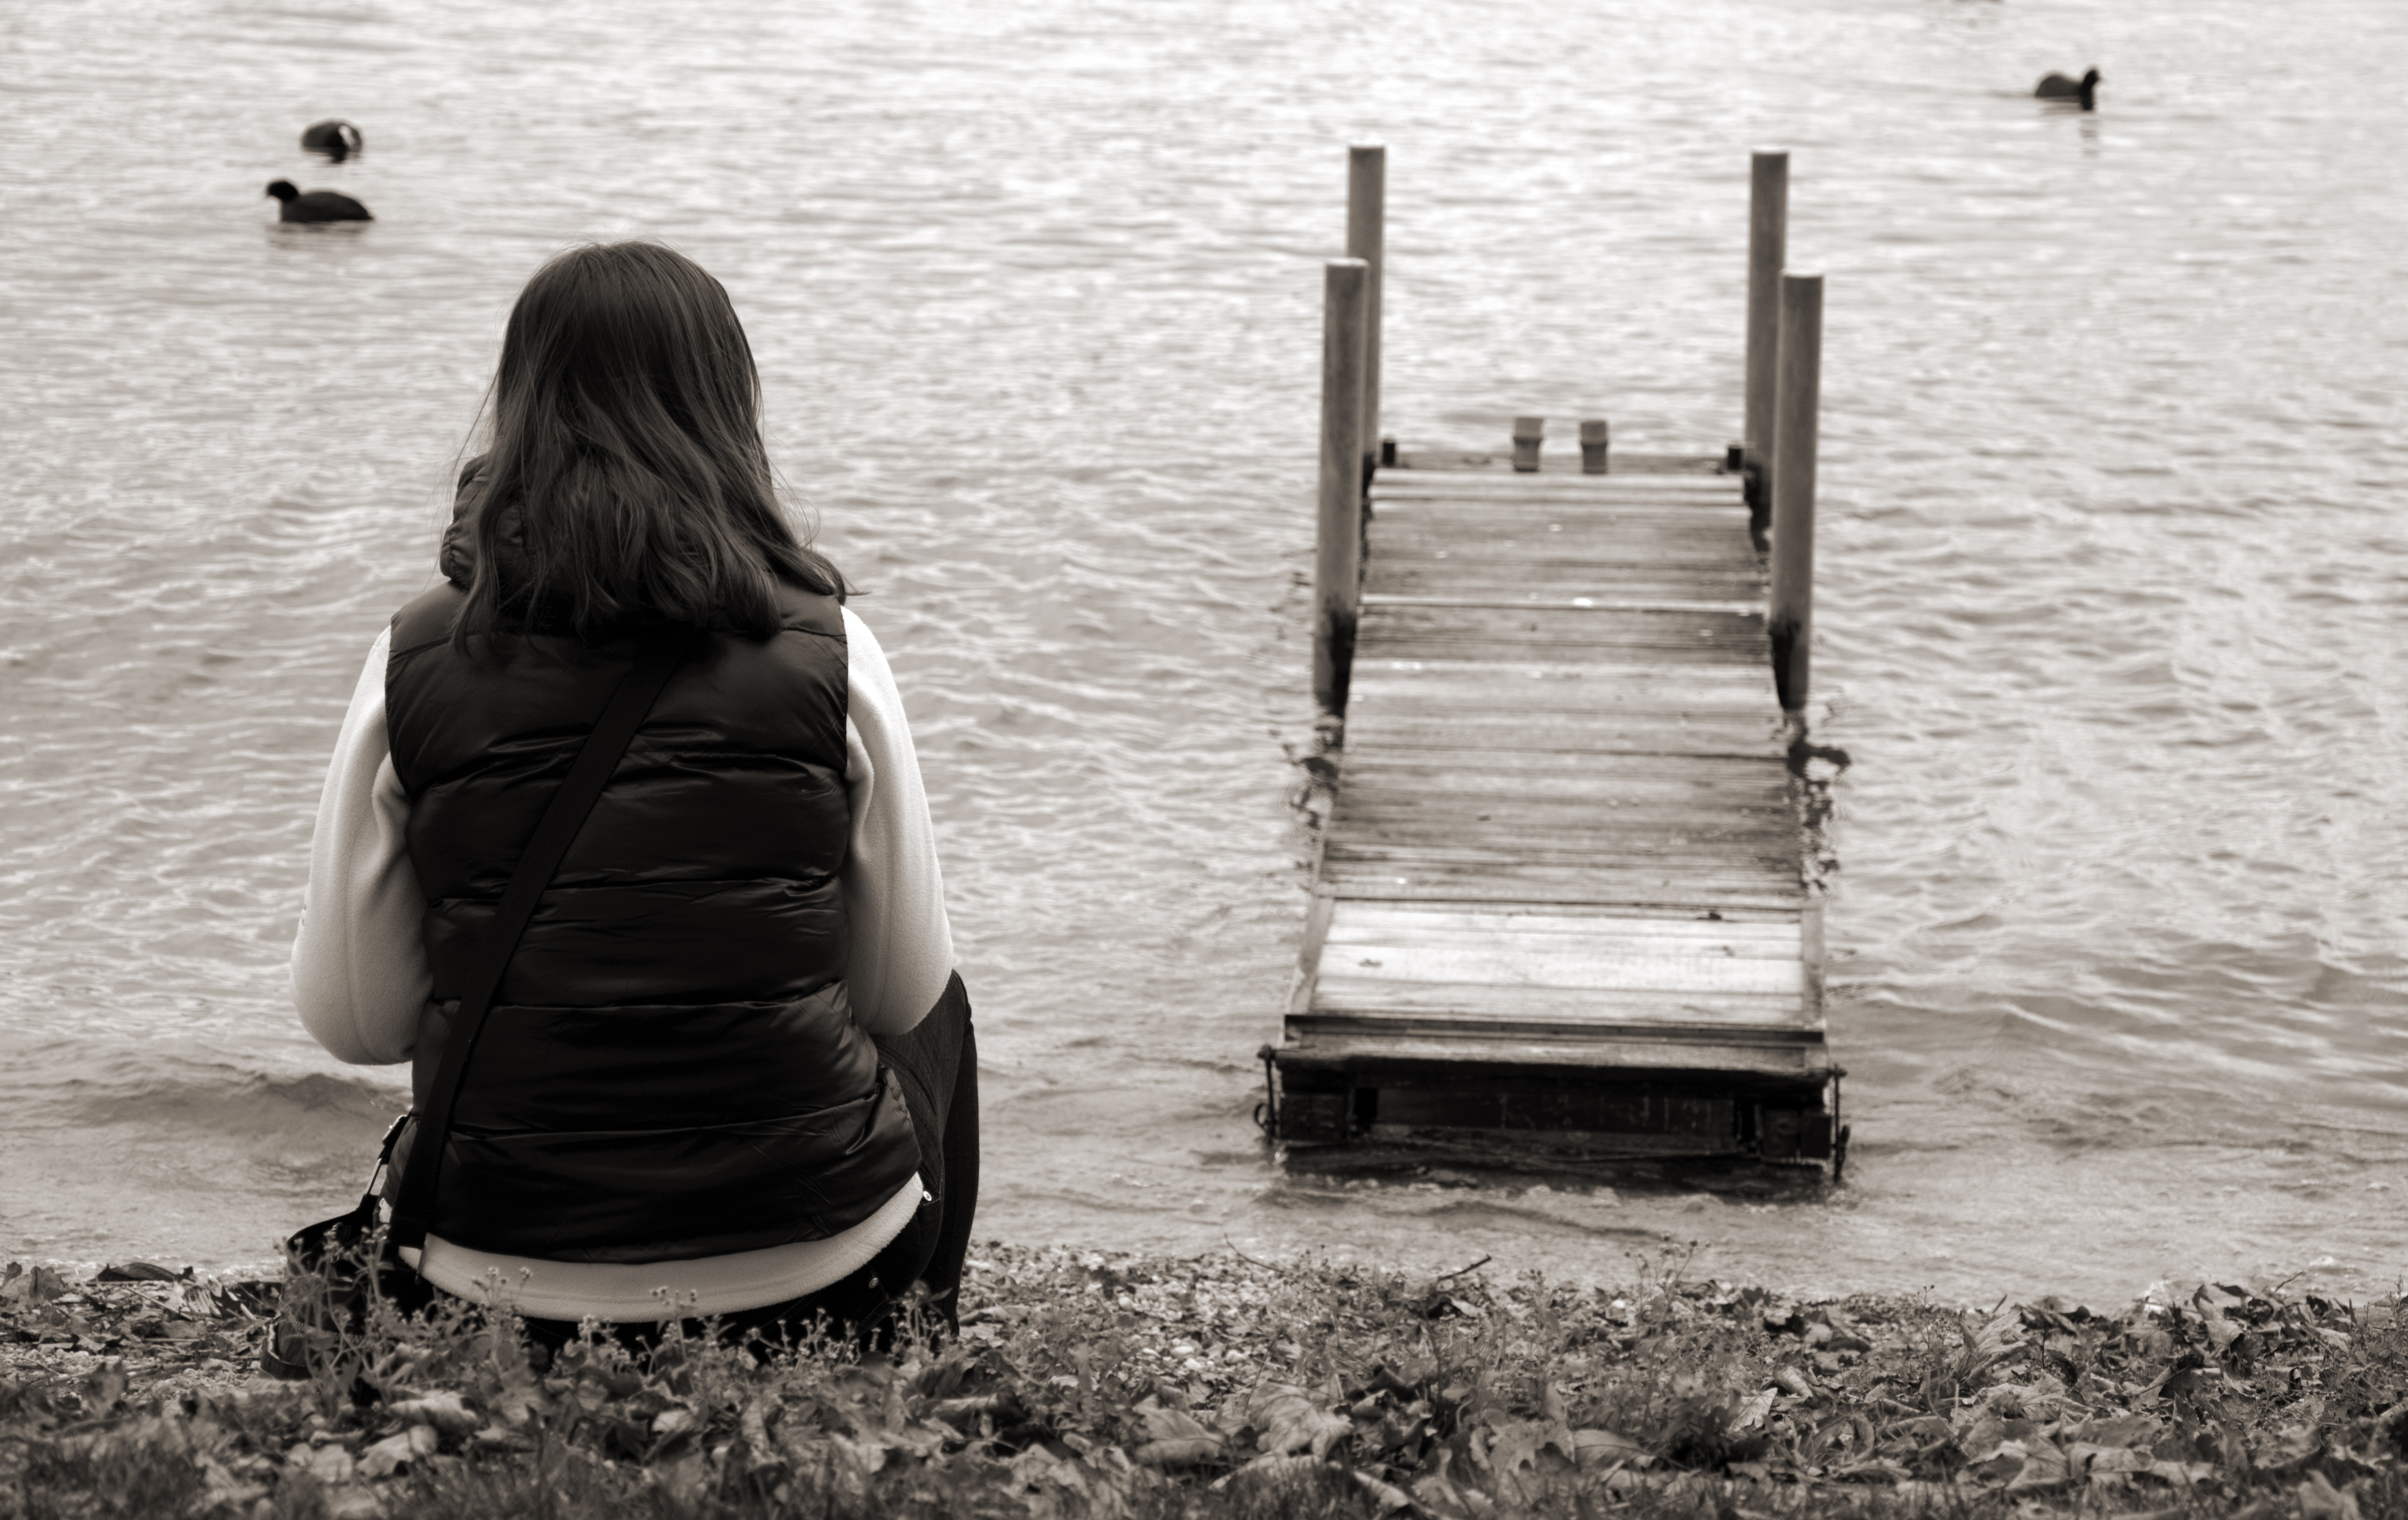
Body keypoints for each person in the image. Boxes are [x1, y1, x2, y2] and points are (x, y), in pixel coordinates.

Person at [288, 241, 975, 1350]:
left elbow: (354, 1021)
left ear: (519, 405)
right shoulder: (832, 649)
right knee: (943, 999)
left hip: (493, 1268)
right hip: (819, 1264)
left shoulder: (411, 657)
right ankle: (914, 1332)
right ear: (726, 408)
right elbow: (899, 995)